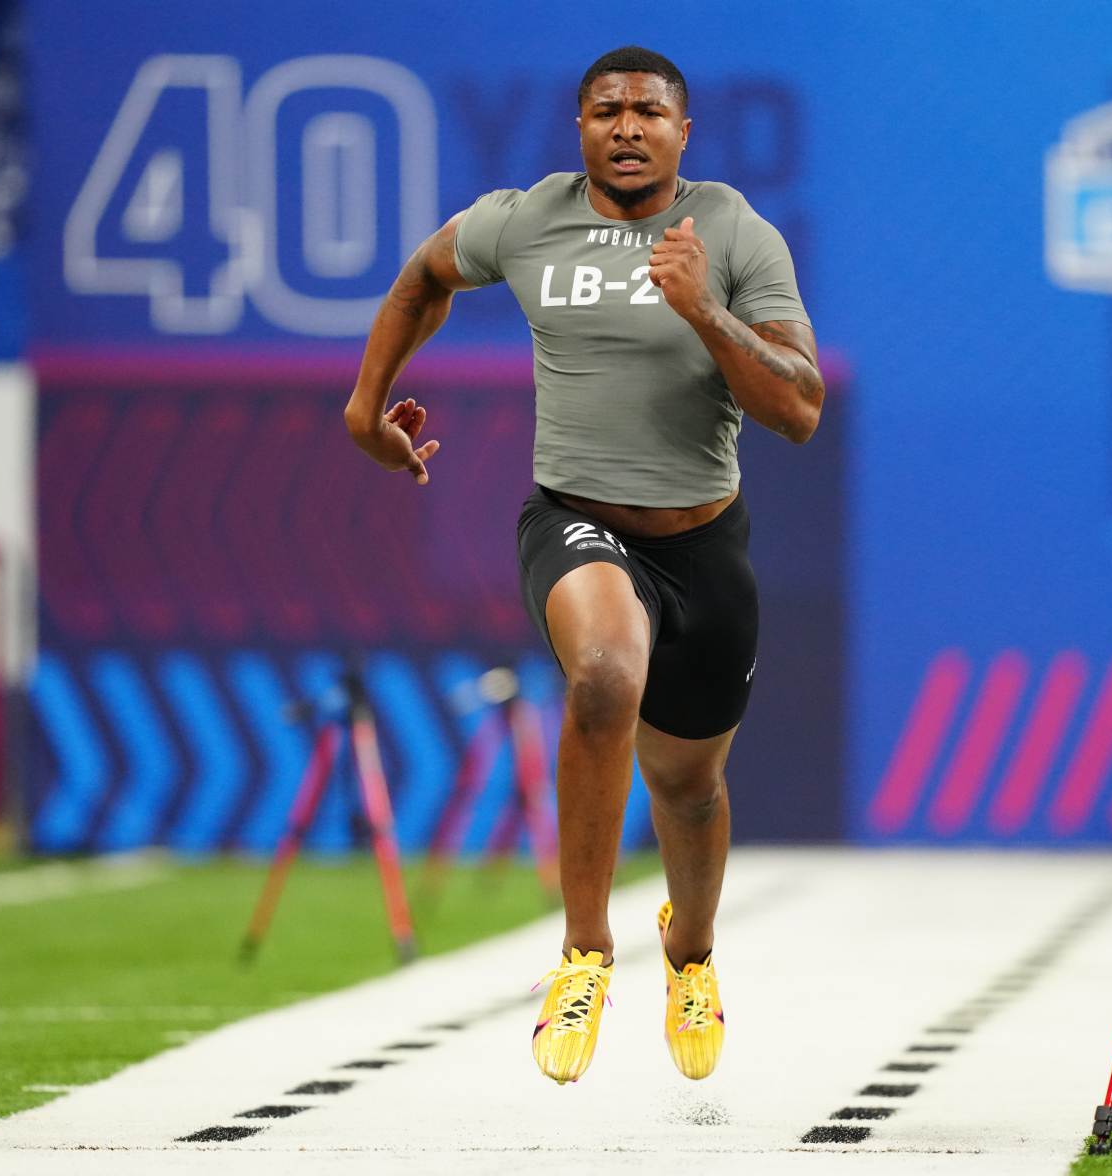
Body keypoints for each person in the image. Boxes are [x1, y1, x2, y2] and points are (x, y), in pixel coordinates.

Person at [345, 45, 821, 1085]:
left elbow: (797, 406)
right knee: (603, 676)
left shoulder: (731, 231)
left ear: (681, 134)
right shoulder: (526, 219)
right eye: (606, 110)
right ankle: (582, 953)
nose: (626, 125)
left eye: (648, 111)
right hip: (573, 521)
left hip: (703, 546)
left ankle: (686, 954)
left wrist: (703, 306)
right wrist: (364, 405)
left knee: (689, 788)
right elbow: (425, 276)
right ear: (579, 128)